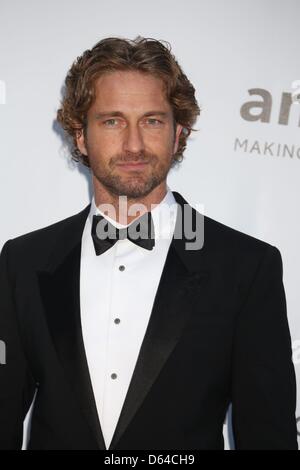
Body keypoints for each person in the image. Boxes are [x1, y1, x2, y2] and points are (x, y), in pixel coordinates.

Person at [0, 36, 297, 450]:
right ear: (80, 136)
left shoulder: (247, 267)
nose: (134, 144)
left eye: (153, 120)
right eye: (112, 121)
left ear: (179, 134)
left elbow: (269, 435)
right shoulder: (23, 261)